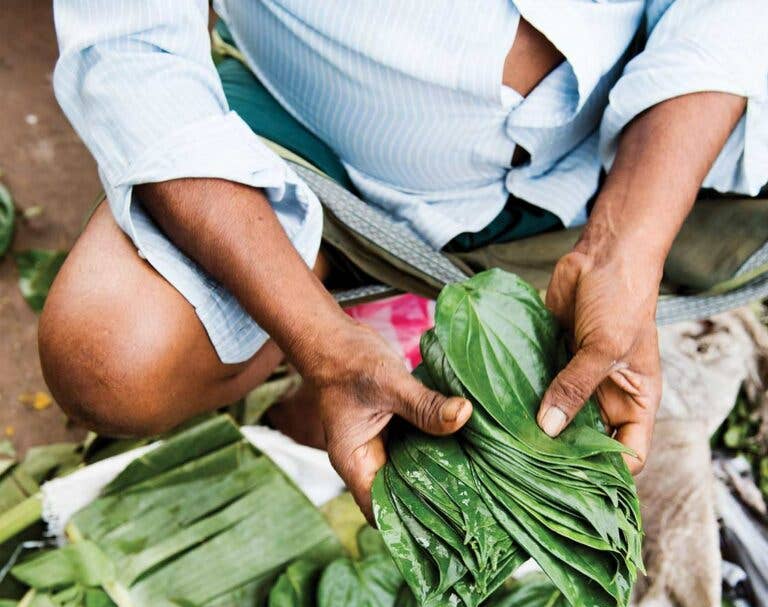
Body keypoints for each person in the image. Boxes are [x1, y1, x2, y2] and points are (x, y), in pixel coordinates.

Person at [43, 1, 767, 517]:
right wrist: (319, 342)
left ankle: (421, 312)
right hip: (314, 140)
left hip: (619, 148)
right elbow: (130, 52)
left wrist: (627, 246)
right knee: (108, 355)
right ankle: (336, 328)